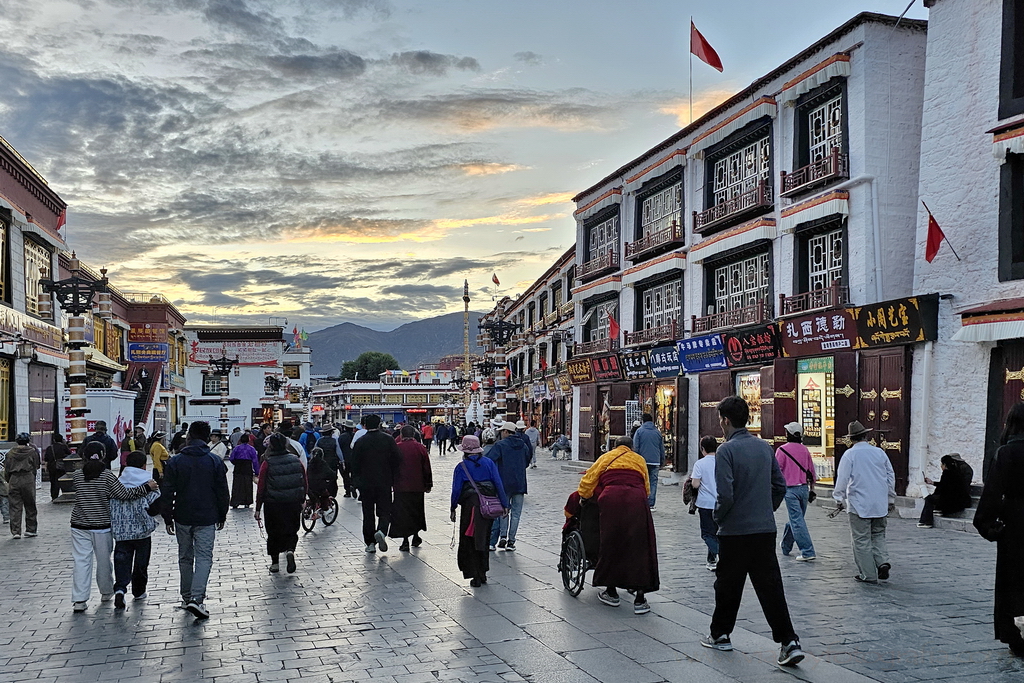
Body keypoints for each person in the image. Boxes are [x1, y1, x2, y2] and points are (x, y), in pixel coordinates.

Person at [700, 396, 805, 668]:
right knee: (770, 587)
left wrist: (718, 517)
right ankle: (789, 642)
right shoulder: (764, 448)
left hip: (734, 531)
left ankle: (720, 634)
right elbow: (779, 486)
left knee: (728, 586)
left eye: (720, 419)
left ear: (725, 420)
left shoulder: (726, 451)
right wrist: (765, 510)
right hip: (763, 530)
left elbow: (726, 494)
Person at [577, 435, 659, 615]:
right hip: (637, 501)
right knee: (639, 546)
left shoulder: (605, 458)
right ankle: (640, 599)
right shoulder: (639, 460)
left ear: (614, 447)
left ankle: (612, 592)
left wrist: (584, 497)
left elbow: (587, 482)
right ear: (631, 448)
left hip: (611, 501)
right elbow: (646, 488)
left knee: (611, 542)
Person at [70, 448, 157, 612]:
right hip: (101, 525)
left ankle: (79, 600)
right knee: (103, 561)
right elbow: (123, 494)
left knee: (81, 561)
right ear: (103, 456)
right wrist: (146, 488)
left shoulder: (77, 475)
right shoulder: (107, 475)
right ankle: (106, 592)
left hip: (78, 524)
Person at [160, 421, 230, 620]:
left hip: (182, 515)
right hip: (207, 516)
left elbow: (167, 492)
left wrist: (167, 516)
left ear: (189, 436)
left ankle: (186, 596)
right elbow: (222, 492)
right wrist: (222, 514)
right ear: (208, 438)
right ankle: (197, 599)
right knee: (204, 558)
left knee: (185, 557)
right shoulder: (215, 461)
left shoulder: (176, 461)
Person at [975, 402, 1024, 657]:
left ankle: (1017, 634)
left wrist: (988, 525)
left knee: (1013, 581)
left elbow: (993, 492)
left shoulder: (1007, 453)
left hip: (1016, 525)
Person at [832, 420, 896, 585]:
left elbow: (843, 478)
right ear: (867, 435)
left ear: (851, 439)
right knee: (878, 535)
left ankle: (868, 574)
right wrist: (890, 497)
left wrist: (839, 497)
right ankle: (882, 561)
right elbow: (890, 475)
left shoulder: (850, 455)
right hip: (879, 502)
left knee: (861, 539)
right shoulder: (879, 453)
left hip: (859, 503)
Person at [451, 435, 508, 587]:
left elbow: (456, 490)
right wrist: (504, 504)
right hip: (486, 509)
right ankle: (482, 572)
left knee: (470, 540)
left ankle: (474, 574)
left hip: (470, 509)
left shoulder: (461, 467)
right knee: (483, 539)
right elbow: (498, 483)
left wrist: (453, 507)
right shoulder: (489, 463)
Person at [110, 450, 162, 609]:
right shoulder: (149, 483)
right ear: (143, 465)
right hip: (142, 531)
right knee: (141, 563)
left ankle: (120, 589)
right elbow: (156, 507)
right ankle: (139, 591)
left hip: (121, 532)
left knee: (121, 560)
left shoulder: (117, 483)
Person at [348, 415, 401, 553]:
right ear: (379, 424)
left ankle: (370, 543)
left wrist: (356, 482)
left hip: (366, 484)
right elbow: (397, 459)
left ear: (365, 425)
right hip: (384, 482)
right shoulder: (388, 439)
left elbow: (354, 464)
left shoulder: (360, 441)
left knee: (368, 513)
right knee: (385, 510)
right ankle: (382, 531)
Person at [255, 433, 307, 573]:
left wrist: (258, 507)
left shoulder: (268, 463)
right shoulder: (296, 460)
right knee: (291, 529)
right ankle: (290, 550)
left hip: (273, 503)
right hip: (292, 502)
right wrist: (302, 499)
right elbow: (304, 481)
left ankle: (275, 563)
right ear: (286, 445)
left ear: (271, 446)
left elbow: (261, 486)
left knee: (273, 532)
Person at [776, 422, 817, 561]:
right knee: (797, 519)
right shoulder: (804, 450)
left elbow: (776, 471)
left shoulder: (782, 450)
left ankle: (807, 551)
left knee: (796, 520)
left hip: (790, 490)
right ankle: (786, 546)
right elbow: (811, 470)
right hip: (804, 488)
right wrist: (812, 488)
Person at [487, 421, 531, 551]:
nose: (501, 434)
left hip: (504, 483)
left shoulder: (500, 445)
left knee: (503, 511)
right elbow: (527, 460)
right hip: (520, 483)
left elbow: (490, 459)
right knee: (516, 513)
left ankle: (503, 536)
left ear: (506, 432)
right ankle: (511, 541)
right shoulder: (523, 445)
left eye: (502, 431)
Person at [389, 425, 433, 551]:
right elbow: (426, 468)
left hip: (401, 487)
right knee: (416, 511)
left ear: (401, 435)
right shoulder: (421, 448)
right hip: (417, 487)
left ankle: (405, 540)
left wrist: (391, 482)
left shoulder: (397, 448)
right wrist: (428, 484)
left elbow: (392, 467)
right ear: (414, 435)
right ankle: (416, 535)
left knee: (403, 514)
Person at [919, 453, 974, 528]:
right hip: (960, 499)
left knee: (929, 499)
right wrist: (933, 483)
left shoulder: (949, 473)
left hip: (956, 501)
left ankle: (926, 521)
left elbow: (945, 487)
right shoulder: (956, 472)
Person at [691, 436, 720, 571]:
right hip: (721, 502)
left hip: (705, 503)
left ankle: (720, 553)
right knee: (717, 532)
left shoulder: (700, 464)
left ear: (702, 449)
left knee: (707, 534)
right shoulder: (722, 462)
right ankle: (711, 559)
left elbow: (695, 484)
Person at [5, 433, 40, 538]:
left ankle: (16, 531)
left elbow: (6, 469)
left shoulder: (10, 453)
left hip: (14, 478)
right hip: (28, 478)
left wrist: (9, 480)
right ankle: (31, 529)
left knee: (15, 506)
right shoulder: (32, 452)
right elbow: (36, 465)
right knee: (30, 504)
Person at [633, 413, 666, 511]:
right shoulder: (657, 432)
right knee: (653, 482)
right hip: (655, 461)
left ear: (643, 421)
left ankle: (642, 501)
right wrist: (662, 460)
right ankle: (651, 503)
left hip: (642, 461)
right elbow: (661, 448)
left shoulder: (639, 431)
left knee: (642, 481)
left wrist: (635, 460)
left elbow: (636, 447)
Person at [229, 434, 260, 508]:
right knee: (247, 484)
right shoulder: (251, 449)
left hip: (238, 467)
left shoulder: (237, 448)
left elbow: (231, 458)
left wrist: (236, 463)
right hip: (247, 467)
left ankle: (236, 501)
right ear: (248, 440)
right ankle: (247, 501)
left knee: (237, 484)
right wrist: (257, 472)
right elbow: (255, 461)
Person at [44, 433, 71, 501]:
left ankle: (54, 496)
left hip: (52, 467)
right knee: (63, 480)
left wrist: (46, 467)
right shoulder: (64, 447)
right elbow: (69, 454)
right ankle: (65, 494)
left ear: (54, 440)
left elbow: (46, 459)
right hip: (62, 467)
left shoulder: (50, 448)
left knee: (53, 482)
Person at [337, 420, 356, 497]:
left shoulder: (341, 437)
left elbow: (338, 448)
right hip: (354, 459)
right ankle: (353, 485)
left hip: (344, 459)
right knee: (354, 474)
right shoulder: (355, 436)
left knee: (345, 475)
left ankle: (347, 491)